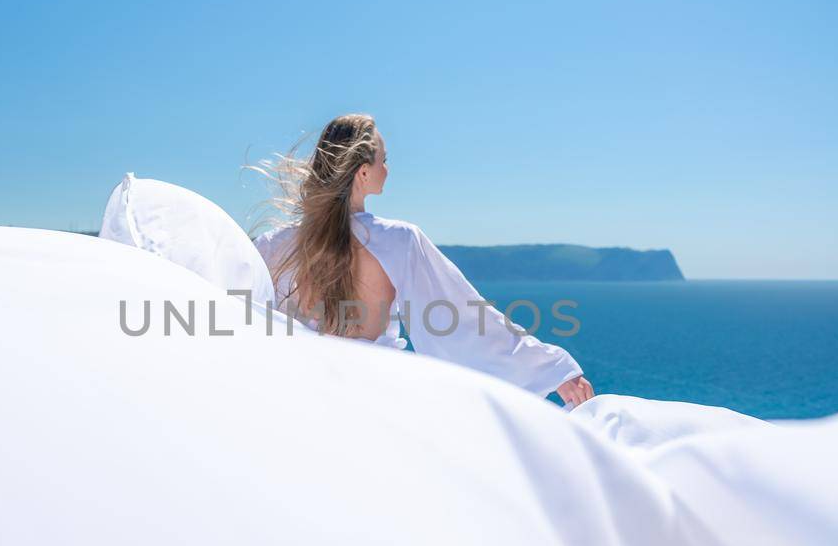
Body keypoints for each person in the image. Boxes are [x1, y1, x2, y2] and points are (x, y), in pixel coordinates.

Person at [251, 114, 595, 406]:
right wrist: (553, 370)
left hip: (302, 395)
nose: (387, 169)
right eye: (383, 159)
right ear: (362, 173)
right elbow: (465, 317)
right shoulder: (398, 240)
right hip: (377, 396)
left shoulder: (272, 245)